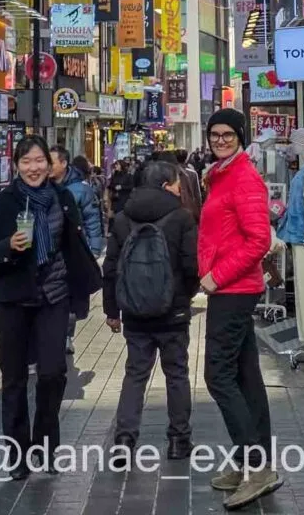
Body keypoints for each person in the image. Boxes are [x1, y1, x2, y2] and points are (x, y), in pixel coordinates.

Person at [0, 135, 102, 480]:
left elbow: (74, 242)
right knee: (14, 379)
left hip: (53, 294)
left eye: (39, 161)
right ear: (16, 166)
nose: (34, 168)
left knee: (52, 373)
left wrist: (86, 282)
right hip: (13, 298)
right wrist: (8, 245)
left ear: (50, 165)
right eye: (26, 162)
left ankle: (45, 445)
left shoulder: (62, 199)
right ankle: (17, 454)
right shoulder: (3, 204)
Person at [197, 109, 282, 509]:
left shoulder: (243, 176)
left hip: (233, 288)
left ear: (240, 136)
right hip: (230, 288)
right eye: (215, 134)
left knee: (217, 375)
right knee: (246, 376)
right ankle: (250, 458)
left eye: (228, 134)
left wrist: (216, 276)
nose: (220, 140)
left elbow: (258, 240)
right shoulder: (221, 173)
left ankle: (257, 467)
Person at [104, 161, 199, 465]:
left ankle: (124, 439)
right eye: (175, 183)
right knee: (176, 374)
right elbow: (191, 266)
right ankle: (178, 440)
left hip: (134, 312)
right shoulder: (182, 218)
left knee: (135, 374)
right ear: (163, 186)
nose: (179, 188)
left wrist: (112, 311)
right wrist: (185, 297)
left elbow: (110, 269)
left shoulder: (121, 219)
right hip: (173, 313)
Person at [49, 146, 104, 355]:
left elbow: (92, 219)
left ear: (63, 163)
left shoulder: (80, 189)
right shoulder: (41, 187)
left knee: (71, 297)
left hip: (74, 250)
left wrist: (95, 248)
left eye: (51, 161)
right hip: (52, 252)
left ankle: (66, 336)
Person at [107, 161, 135, 231]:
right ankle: (113, 230)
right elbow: (110, 185)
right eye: (115, 165)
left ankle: (123, 230)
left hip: (124, 198)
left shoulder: (128, 176)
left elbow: (131, 186)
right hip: (115, 198)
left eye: (117, 165)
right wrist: (114, 187)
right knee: (114, 216)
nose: (115, 166)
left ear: (121, 166)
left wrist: (122, 187)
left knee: (122, 215)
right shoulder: (114, 175)